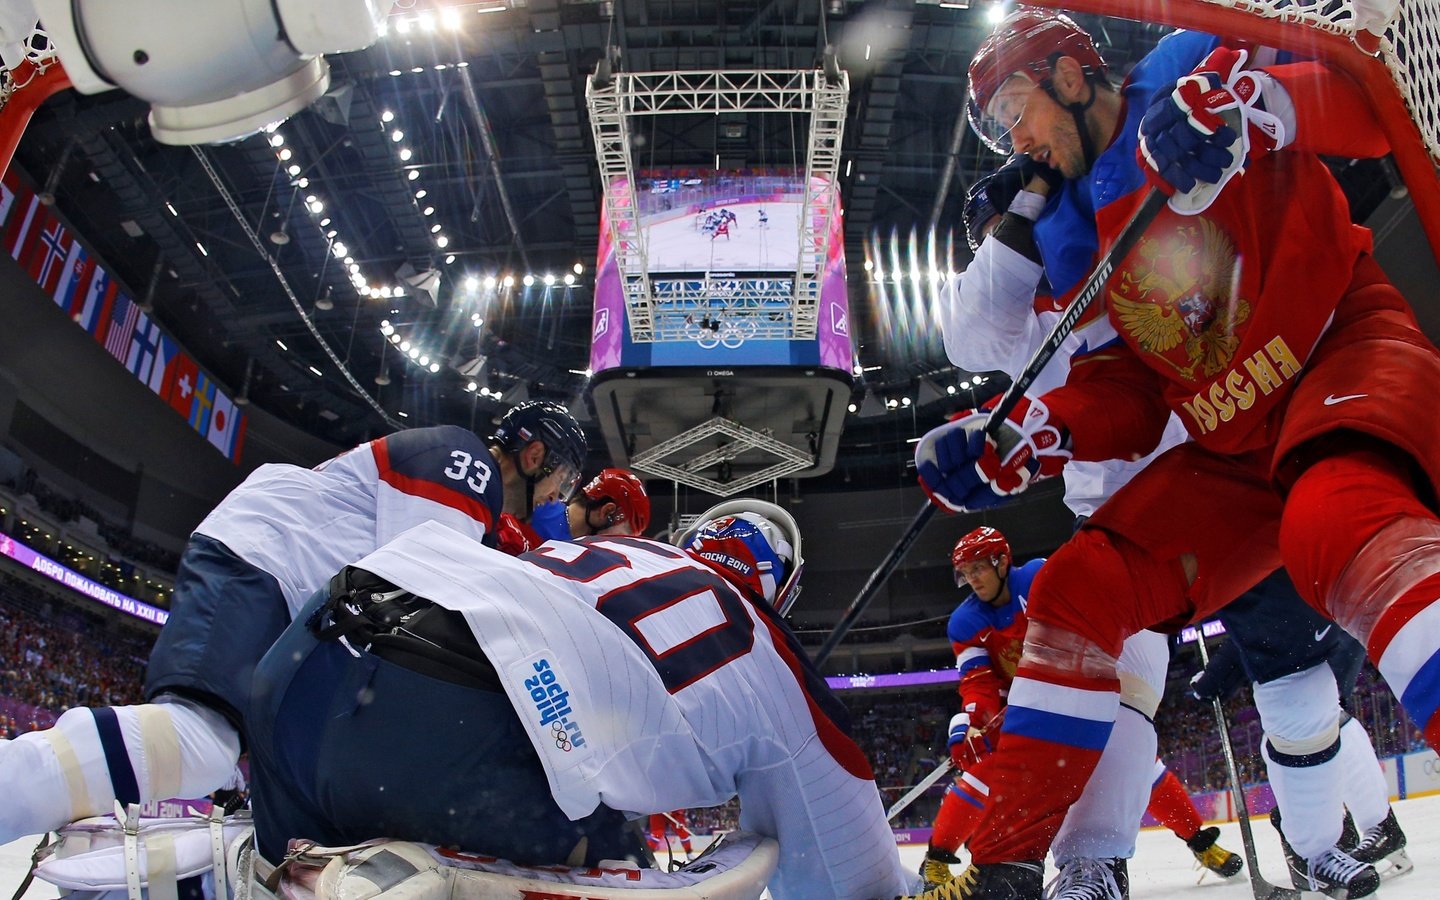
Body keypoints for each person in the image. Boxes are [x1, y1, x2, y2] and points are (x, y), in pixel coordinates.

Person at [911, 9, 1440, 898]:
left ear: (1071, 77)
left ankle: (1327, 839)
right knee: (1075, 590)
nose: (1018, 142)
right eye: (1003, 129)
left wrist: (1261, 105)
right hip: (1231, 447)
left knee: (1333, 521)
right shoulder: (1073, 227)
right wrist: (1043, 435)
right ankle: (1008, 870)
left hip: (1335, 350)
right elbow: (1131, 378)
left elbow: (1372, 96)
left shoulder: (1191, 60)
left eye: (1017, 111)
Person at [245, 498, 915, 900]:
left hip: (310, 652)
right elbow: (848, 873)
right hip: (458, 722)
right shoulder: (764, 643)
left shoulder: (607, 552)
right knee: (615, 861)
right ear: (782, 594)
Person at [0, 401, 587, 846]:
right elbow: (424, 597)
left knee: (220, 764)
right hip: (269, 564)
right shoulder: (470, 464)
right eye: (565, 480)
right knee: (198, 740)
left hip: (283, 588)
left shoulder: (469, 483)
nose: (562, 497)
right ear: (536, 456)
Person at [924, 157, 1239, 899]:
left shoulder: (1129, 267)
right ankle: (1091, 864)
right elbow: (966, 334)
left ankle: (1326, 832)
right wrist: (1024, 214)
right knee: (1119, 692)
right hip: (1123, 522)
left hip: (1228, 476)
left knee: (1293, 665)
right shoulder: (1022, 330)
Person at [919, 528, 1239, 899]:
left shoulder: (1040, 577)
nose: (972, 579)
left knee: (1134, 761)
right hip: (1019, 705)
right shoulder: (964, 621)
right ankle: (937, 860)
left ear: (1003, 561)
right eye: (965, 572)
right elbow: (978, 682)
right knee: (983, 771)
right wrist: (973, 721)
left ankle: (1199, 840)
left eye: (978, 568)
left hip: (1071, 682)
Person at [1189, 571, 1412, 892]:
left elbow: (1267, 627)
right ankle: (1364, 829)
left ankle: (1335, 844)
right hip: (1336, 612)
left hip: (1323, 624)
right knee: (1323, 716)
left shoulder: (1246, 555)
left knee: (1306, 716)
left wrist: (1214, 680)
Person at [525, 466, 652, 544]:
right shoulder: (531, 509)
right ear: (607, 511)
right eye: (623, 537)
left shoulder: (535, 507)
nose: (618, 546)